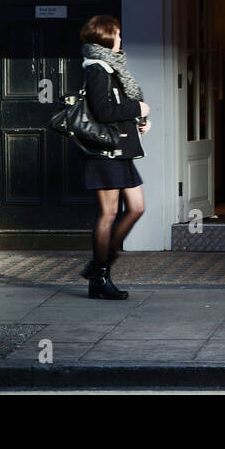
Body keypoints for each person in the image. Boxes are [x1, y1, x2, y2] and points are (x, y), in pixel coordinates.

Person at [78, 15, 149, 300]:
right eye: (117, 35)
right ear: (106, 38)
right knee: (108, 213)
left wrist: (139, 121)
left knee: (136, 207)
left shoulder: (111, 68)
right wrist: (137, 108)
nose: (121, 39)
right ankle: (100, 279)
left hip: (120, 152)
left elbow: (114, 110)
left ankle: (99, 266)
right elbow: (102, 113)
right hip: (105, 154)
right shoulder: (98, 70)